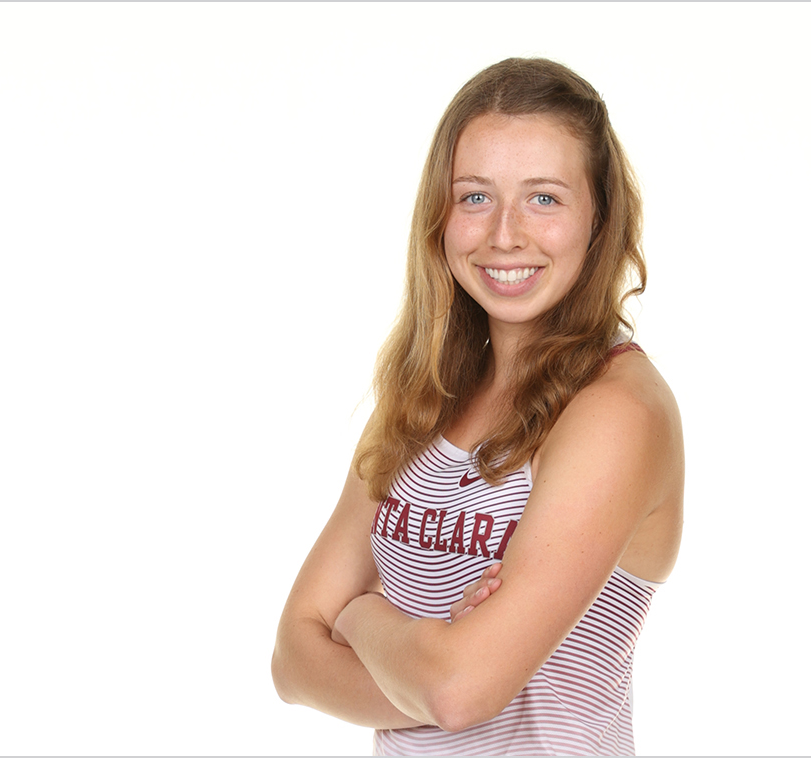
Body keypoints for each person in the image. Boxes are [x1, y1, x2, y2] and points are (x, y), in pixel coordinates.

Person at [271, 57, 684, 756]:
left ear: (600, 218)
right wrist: (429, 668)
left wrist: (365, 616)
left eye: (544, 198)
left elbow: (461, 692)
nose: (504, 234)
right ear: (439, 212)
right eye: (474, 197)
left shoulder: (616, 410)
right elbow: (291, 660)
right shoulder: (421, 400)